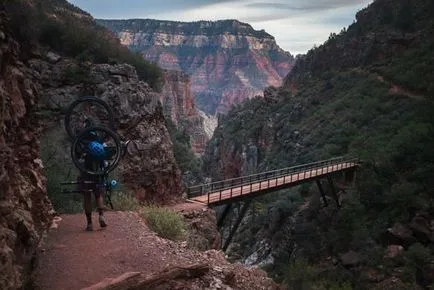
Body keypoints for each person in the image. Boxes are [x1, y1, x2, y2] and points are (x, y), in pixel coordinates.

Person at [76, 121, 108, 231]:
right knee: (99, 195)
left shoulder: (80, 139)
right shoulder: (98, 139)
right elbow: (105, 154)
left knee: (87, 196)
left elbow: (77, 156)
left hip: (85, 172)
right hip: (97, 171)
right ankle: (101, 216)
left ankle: (89, 223)